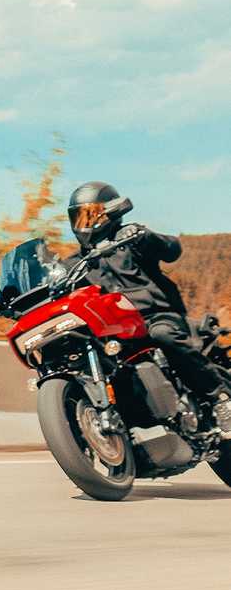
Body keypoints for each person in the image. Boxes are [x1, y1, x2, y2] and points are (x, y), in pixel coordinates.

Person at [68, 181, 231, 425]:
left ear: (110, 213)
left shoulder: (131, 238)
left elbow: (172, 249)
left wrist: (144, 236)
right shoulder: (75, 264)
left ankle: (221, 398)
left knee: (162, 334)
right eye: (79, 216)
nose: (84, 223)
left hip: (156, 316)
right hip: (115, 330)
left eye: (90, 215)